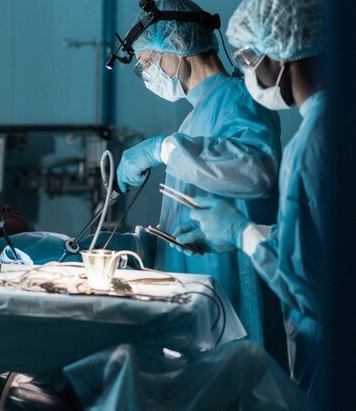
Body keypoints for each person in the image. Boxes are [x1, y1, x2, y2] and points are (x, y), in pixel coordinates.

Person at [173, 0, 325, 395]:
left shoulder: (314, 144)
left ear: (279, 51)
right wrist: (256, 234)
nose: (245, 71)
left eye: (246, 57)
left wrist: (242, 233)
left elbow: (314, 286)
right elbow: (324, 240)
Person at [111, 0, 281, 345]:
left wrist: (160, 149)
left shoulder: (239, 98)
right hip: (202, 298)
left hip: (234, 300)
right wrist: (144, 245)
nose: (148, 75)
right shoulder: (195, 117)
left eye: (148, 62)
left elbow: (255, 171)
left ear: (176, 43)